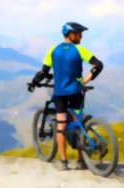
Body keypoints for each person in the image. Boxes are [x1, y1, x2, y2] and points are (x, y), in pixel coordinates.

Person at [28, 22, 103, 170]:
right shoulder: (79, 50)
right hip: (76, 92)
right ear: (70, 35)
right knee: (79, 123)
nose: (81, 36)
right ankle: (82, 161)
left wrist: (33, 82)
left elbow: (43, 72)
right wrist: (85, 80)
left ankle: (64, 162)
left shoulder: (52, 50)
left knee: (61, 127)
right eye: (79, 33)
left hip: (60, 94)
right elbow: (98, 65)